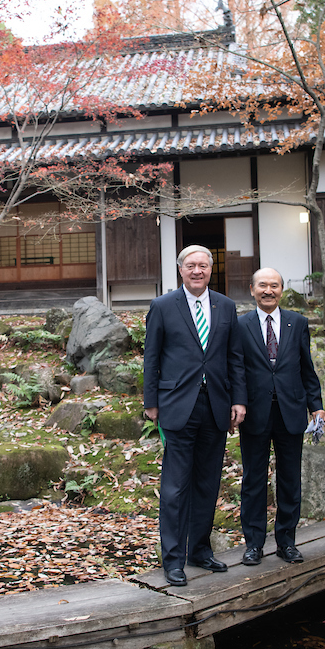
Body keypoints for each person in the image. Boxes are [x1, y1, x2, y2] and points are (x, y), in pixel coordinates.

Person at [143, 245, 246, 586]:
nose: (197, 270)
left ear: (210, 269)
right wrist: (151, 401)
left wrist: (238, 400)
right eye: (191, 265)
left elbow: (235, 358)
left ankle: (200, 550)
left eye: (203, 265)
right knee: (175, 487)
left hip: (216, 404)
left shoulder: (226, 306)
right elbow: (152, 358)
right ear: (181, 270)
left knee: (207, 483)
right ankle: (173, 559)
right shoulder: (162, 306)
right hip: (177, 404)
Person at [237, 268, 324, 566]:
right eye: (263, 285)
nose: (268, 290)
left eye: (274, 285)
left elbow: (307, 368)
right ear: (252, 289)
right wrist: (236, 404)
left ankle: (286, 542)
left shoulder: (297, 322)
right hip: (254, 412)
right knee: (253, 480)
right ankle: (253, 544)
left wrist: (317, 406)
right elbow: (235, 370)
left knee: (290, 480)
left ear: (281, 290)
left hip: (291, 411)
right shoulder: (241, 325)